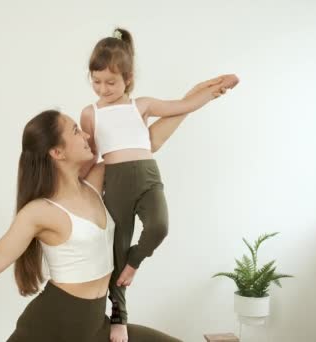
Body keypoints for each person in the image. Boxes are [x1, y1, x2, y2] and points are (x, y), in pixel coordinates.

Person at [0, 109, 202, 341]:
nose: (87, 134)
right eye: (76, 130)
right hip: (52, 328)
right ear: (56, 151)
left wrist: (190, 103)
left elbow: (145, 142)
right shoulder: (40, 212)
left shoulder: (97, 179)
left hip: (95, 327)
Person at [80, 27, 239, 342]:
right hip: (116, 184)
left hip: (149, 178)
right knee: (116, 251)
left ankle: (134, 264)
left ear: (128, 78)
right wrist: (78, 185)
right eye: (96, 81)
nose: (102, 88)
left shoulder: (142, 105)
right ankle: (119, 317)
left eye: (110, 82)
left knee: (159, 227)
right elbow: (89, 156)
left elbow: (184, 107)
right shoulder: (90, 114)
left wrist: (216, 88)